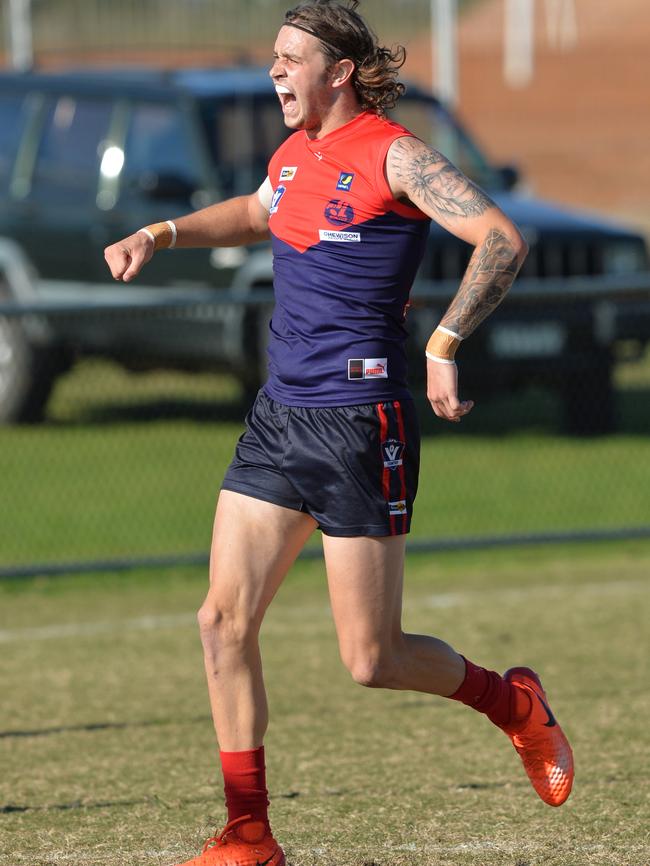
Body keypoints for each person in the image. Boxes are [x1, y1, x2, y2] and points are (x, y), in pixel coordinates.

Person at [105, 2, 574, 864]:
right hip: (279, 419)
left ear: (339, 71)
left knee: (374, 658)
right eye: (274, 58)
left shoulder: (395, 153)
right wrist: (159, 232)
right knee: (221, 622)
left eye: (291, 59)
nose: (275, 72)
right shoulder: (294, 155)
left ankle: (513, 704)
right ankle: (248, 832)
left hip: (360, 426)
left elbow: (501, 239)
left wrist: (442, 343)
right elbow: (258, 209)